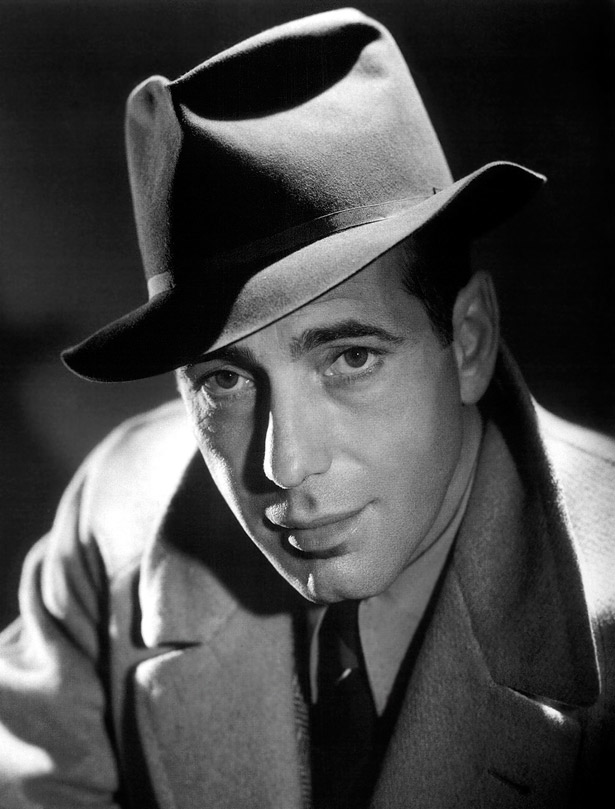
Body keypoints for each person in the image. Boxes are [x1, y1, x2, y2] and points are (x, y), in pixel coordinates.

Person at [0, 7, 613, 809]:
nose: (284, 463)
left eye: (349, 358)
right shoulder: (112, 523)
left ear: (468, 341)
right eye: (224, 380)